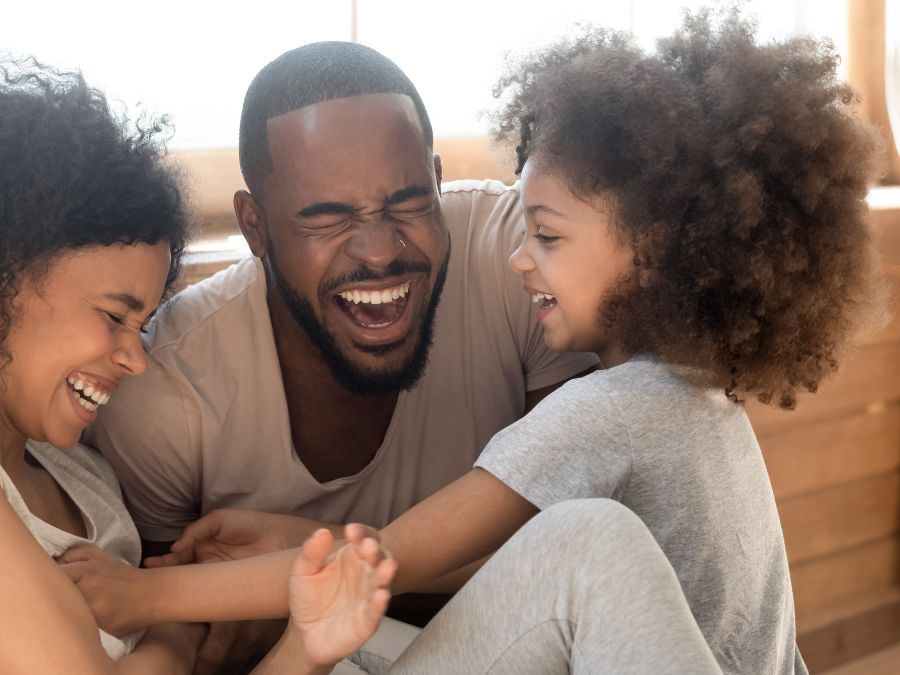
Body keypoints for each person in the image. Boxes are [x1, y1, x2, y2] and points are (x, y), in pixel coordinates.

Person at [104, 9, 880, 674]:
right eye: (328, 216)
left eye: (544, 235)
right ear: (253, 226)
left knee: (582, 539)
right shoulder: (701, 399)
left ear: (647, 249)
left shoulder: (604, 411)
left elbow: (379, 558)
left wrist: (139, 591)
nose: (516, 255)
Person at [84, 38, 597, 670]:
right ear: (254, 227)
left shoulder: (524, 264)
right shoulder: (163, 391)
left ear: (437, 183)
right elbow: (191, 636)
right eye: (327, 219)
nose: (380, 250)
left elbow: (570, 561)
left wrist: (303, 563)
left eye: (408, 202)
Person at [0, 56, 398, 675]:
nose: (135, 359)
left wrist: (301, 644)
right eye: (113, 317)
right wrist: (176, 629)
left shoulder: (83, 478)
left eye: (143, 323)